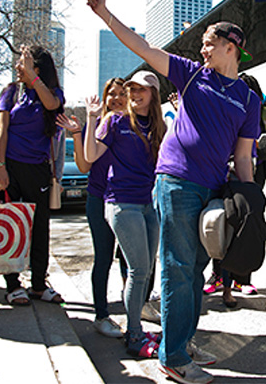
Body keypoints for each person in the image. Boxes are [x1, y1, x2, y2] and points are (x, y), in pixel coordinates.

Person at [88, 0, 261, 384]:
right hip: (177, 182)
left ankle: (180, 340)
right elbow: (144, 49)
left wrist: (249, 201)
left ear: (231, 47)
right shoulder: (192, 75)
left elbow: (244, 156)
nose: (202, 50)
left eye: (209, 44)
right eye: (201, 45)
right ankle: (174, 357)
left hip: (214, 189)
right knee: (178, 267)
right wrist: (105, 15)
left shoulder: (248, 100)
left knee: (196, 269)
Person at [83, 70, 167, 358]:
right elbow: (91, 156)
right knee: (138, 270)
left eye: (141, 89)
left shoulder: (159, 128)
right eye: (132, 88)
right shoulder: (115, 121)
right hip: (121, 203)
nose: (134, 93)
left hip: (148, 205)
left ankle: (137, 329)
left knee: (146, 271)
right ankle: (134, 335)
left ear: (153, 94)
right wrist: (92, 118)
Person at [0, 46, 65, 306]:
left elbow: (51, 104)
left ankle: (37, 285)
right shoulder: (10, 93)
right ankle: (12, 285)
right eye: (19, 63)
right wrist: (0, 166)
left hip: (38, 169)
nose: (18, 67)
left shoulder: (54, 94)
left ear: (39, 68)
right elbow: (1, 129)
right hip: (10, 167)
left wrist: (33, 77)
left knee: (39, 228)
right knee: (10, 226)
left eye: (24, 63)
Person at [56, 77, 127, 338]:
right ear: (104, 96)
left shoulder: (133, 125)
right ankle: (101, 315)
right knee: (104, 258)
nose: (117, 98)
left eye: (122, 93)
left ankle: (133, 309)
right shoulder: (96, 125)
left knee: (129, 261)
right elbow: (84, 166)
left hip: (129, 201)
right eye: (112, 93)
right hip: (99, 200)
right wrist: (79, 131)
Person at [203, 73, 266, 305]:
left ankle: (242, 279)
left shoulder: (263, 114)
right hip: (224, 178)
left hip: (250, 178)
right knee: (224, 227)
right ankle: (223, 284)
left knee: (246, 229)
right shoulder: (225, 110)